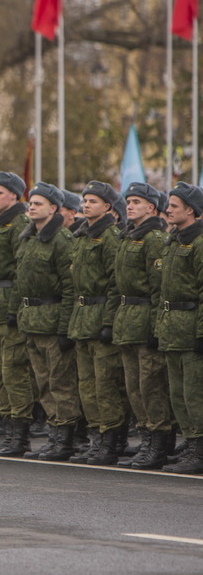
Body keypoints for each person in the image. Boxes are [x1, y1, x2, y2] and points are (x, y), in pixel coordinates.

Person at [12, 183, 79, 458]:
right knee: (42, 382)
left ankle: (65, 438)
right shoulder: (27, 238)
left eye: (39, 203)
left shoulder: (61, 240)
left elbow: (69, 288)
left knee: (59, 382)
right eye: (31, 202)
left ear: (54, 208)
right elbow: (21, 282)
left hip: (52, 322)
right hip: (32, 321)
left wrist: (64, 328)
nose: (32, 206)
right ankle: (54, 432)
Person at [113, 182, 174, 469]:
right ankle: (146, 437)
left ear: (152, 207)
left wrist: (154, 328)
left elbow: (158, 289)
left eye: (137, 201)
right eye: (128, 201)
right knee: (134, 387)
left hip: (144, 319)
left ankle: (159, 442)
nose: (130, 205)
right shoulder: (128, 237)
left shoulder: (152, 239)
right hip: (127, 321)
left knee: (151, 386)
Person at [66, 180, 127, 464]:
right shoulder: (81, 236)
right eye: (85, 200)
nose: (86, 204)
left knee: (106, 385)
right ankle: (96, 438)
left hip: (101, 315)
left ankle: (111, 440)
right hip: (82, 318)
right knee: (87, 385)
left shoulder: (110, 237)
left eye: (92, 201)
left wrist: (108, 323)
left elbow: (116, 283)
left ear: (108, 207)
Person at [0, 172, 35, 456]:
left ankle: (20, 432)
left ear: (14, 195)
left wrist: (14, 308)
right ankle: (8, 426)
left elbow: (20, 270)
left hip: (6, 308)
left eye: (0, 192)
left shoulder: (19, 223)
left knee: (13, 372)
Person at [156, 183, 203, 474]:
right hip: (172, 328)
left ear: (191, 210)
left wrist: (201, 333)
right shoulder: (172, 241)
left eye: (174, 205)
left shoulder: (199, 244)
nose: (168, 209)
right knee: (177, 393)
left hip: (190, 328)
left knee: (194, 393)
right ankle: (190, 443)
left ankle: (199, 450)